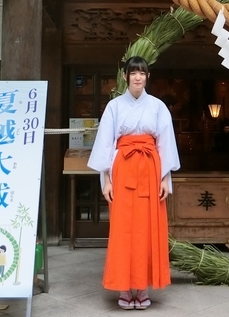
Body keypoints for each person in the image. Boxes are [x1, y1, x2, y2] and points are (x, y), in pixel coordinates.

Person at [87, 56, 180, 310]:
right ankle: (124, 288)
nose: (138, 77)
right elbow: (106, 144)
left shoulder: (158, 106)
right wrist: (105, 180)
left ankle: (143, 287)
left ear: (147, 77)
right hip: (123, 169)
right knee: (123, 230)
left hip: (150, 170)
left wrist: (165, 178)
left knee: (147, 229)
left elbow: (165, 144)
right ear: (125, 77)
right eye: (133, 73)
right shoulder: (115, 107)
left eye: (142, 73)